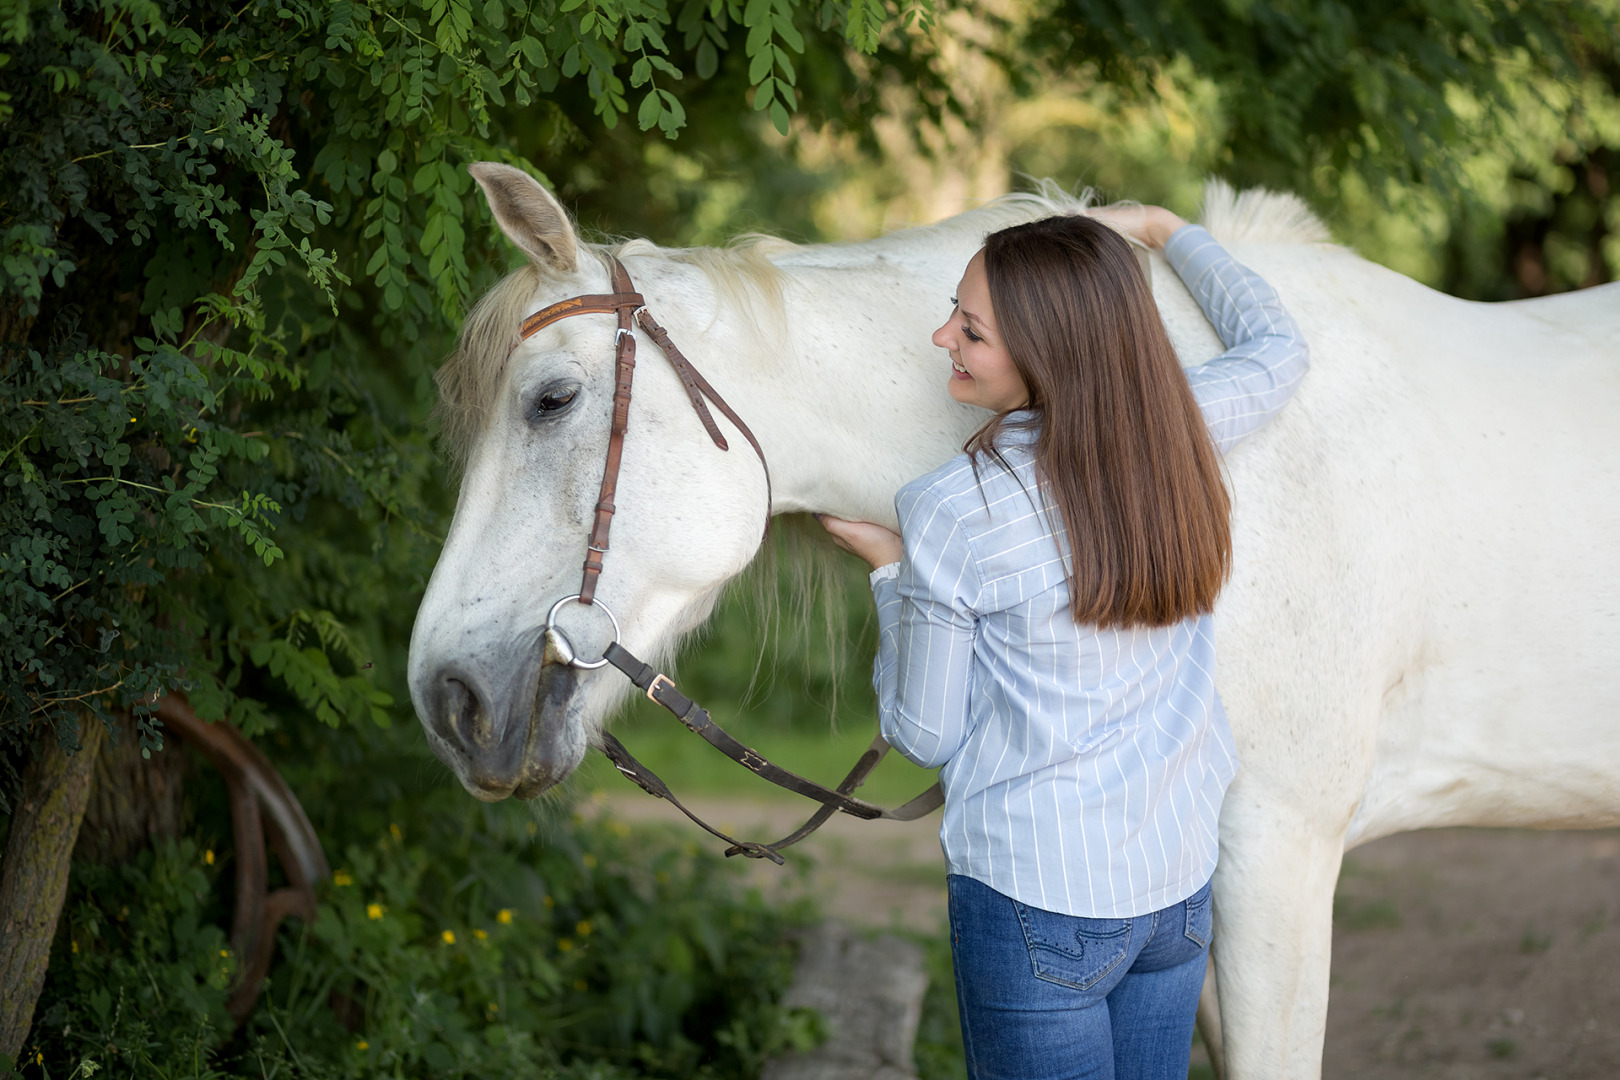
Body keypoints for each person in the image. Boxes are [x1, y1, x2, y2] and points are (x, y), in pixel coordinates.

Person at [818, 204, 1308, 1080]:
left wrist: (894, 574)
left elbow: (923, 735)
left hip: (1037, 901)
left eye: (971, 330)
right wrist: (1166, 230)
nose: (943, 337)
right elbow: (1278, 348)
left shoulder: (950, 511)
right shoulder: (1181, 427)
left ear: (1050, 350)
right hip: (1178, 889)